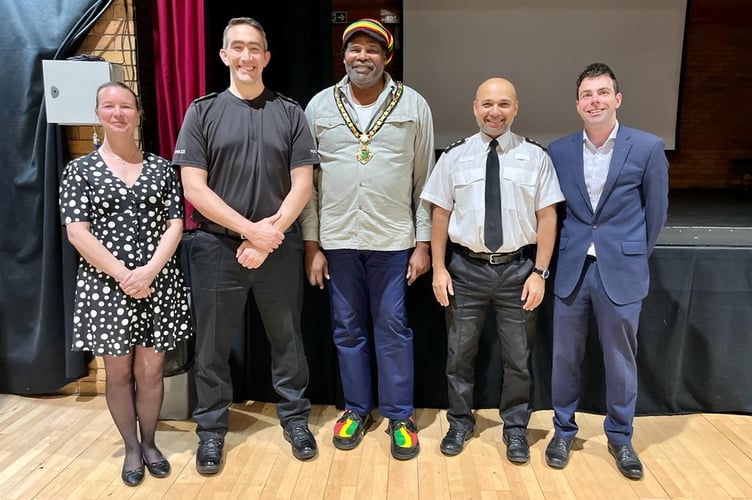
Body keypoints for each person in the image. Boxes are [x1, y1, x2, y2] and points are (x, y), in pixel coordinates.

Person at [172, 17, 319, 473]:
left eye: (254, 48)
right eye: (237, 48)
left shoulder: (291, 113)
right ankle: (212, 431)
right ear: (223, 55)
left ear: (267, 57)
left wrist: (267, 236)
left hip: (278, 248)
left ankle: (295, 419)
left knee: (288, 340)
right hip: (216, 250)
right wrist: (248, 231)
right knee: (212, 347)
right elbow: (193, 188)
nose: (246, 56)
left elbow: (303, 186)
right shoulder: (202, 111)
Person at [300, 18, 434, 460]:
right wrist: (312, 244)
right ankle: (356, 410)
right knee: (347, 329)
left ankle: (399, 415)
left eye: (372, 50)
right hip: (338, 239)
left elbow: (424, 181)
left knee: (392, 327)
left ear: (387, 57)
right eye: (355, 49)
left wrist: (423, 243)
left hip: (393, 240)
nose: (363, 57)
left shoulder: (414, 106)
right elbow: (307, 184)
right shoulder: (319, 107)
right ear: (343, 56)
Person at [421, 77, 563, 463]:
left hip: (518, 270)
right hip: (465, 271)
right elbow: (439, 215)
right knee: (458, 355)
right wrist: (438, 268)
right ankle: (460, 422)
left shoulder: (536, 157)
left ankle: (515, 428)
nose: (494, 112)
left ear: (515, 109)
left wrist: (541, 272)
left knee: (518, 358)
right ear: (474, 107)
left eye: (503, 104)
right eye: (487, 104)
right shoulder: (453, 157)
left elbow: (547, 218)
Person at [59, 82, 192, 486]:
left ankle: (150, 442)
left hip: (157, 282)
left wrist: (149, 271)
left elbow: (176, 223)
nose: (117, 113)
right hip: (106, 286)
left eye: (126, 106)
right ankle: (131, 448)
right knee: (117, 375)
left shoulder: (161, 168)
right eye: (108, 106)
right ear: (98, 113)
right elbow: (78, 233)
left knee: (151, 374)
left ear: (138, 114)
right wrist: (123, 274)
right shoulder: (79, 170)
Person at [544, 63, 669, 480]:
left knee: (620, 360)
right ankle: (562, 430)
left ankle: (620, 437)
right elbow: (554, 214)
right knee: (564, 357)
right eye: (586, 94)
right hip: (572, 269)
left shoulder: (648, 147)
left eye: (602, 93)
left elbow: (656, 214)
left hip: (621, 269)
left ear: (617, 99)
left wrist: (631, 254)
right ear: (577, 103)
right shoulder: (558, 151)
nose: (594, 100)